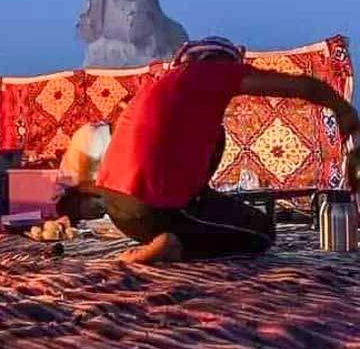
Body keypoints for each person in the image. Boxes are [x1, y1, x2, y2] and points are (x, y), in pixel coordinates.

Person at [95, 36, 360, 265]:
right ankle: (175, 245)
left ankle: (178, 229)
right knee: (262, 232)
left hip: (117, 209)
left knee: (216, 136)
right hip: (151, 208)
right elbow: (302, 86)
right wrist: (342, 108)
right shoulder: (212, 72)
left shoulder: (161, 85)